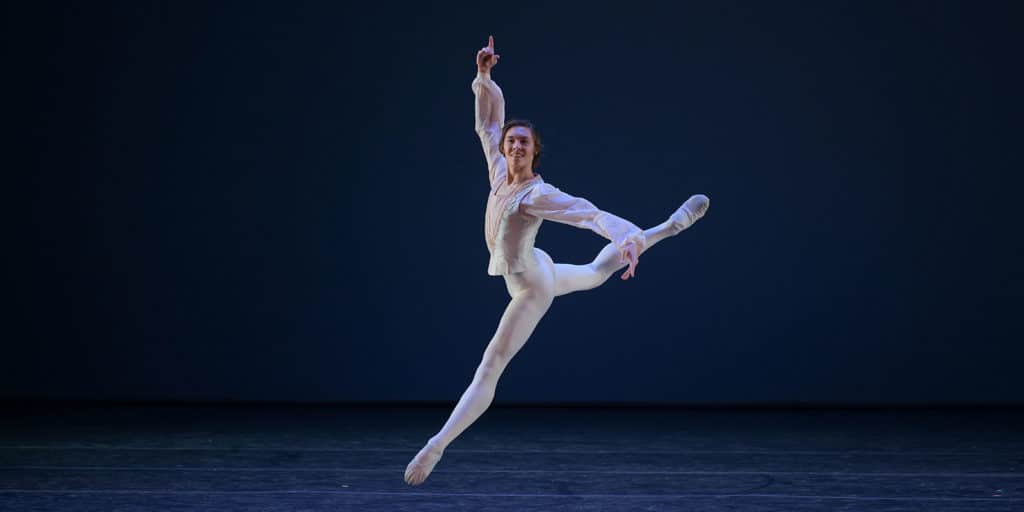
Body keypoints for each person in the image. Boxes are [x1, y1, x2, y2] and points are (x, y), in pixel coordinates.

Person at [404, 35, 709, 486]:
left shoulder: (537, 194)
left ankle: (436, 445)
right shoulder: (498, 169)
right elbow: (486, 126)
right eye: (512, 142)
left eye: (524, 143)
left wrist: (621, 232)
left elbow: (587, 212)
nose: (515, 147)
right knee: (592, 273)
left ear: (535, 150)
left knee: (491, 364)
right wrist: (484, 77)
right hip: (535, 263)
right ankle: (663, 228)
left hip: (532, 286)